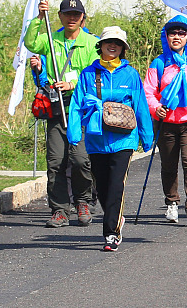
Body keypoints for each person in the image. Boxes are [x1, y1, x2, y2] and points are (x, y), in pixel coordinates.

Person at [66, 26, 154, 252]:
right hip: (96, 139)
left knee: (116, 186)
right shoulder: (87, 73)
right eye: (108, 42)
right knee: (103, 187)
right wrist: (75, 134)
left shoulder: (131, 74)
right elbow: (76, 105)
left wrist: (146, 136)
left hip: (124, 139)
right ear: (101, 45)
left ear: (123, 48)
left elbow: (140, 105)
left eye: (117, 43)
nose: (112, 46)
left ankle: (111, 233)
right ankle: (116, 217)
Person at [23, 0, 100, 229]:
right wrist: (39, 18)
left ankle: (84, 202)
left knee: (80, 160)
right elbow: (31, 43)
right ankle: (59, 209)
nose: (71, 18)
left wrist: (72, 83)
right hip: (56, 108)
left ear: (83, 18)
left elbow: (94, 75)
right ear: (60, 17)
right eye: (67, 14)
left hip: (81, 109)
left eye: (76, 15)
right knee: (56, 161)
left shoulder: (91, 43)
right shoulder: (50, 37)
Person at [143, 15, 187, 226]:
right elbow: (148, 91)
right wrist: (156, 109)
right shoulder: (159, 62)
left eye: (181, 33)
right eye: (172, 33)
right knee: (169, 165)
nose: (177, 36)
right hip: (167, 121)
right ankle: (172, 202)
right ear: (166, 37)